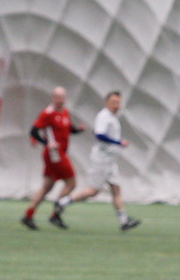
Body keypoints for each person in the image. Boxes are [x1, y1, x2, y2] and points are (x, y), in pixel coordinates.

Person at [51, 91, 141, 231]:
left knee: (116, 189)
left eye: (118, 103)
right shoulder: (104, 116)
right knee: (93, 191)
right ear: (106, 103)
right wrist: (118, 142)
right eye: (114, 102)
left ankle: (124, 220)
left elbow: (97, 131)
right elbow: (99, 135)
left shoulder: (111, 117)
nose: (116, 105)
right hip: (102, 159)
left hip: (110, 160)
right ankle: (62, 202)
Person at [20, 86, 83, 229]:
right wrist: (46, 143)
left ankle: (28, 215)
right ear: (52, 98)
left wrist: (78, 130)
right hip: (55, 155)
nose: (61, 100)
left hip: (59, 154)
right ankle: (56, 213)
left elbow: (68, 128)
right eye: (58, 97)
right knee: (71, 183)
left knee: (47, 187)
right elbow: (33, 131)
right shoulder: (47, 113)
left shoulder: (64, 112)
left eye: (63, 97)